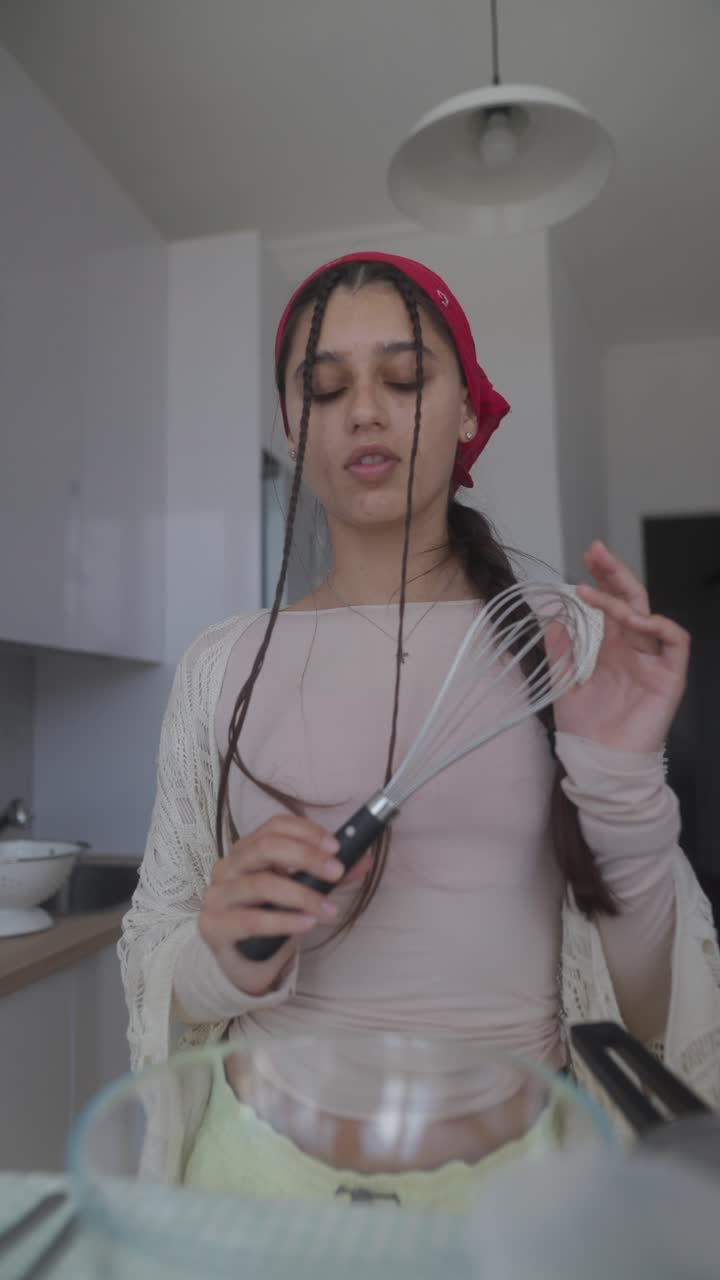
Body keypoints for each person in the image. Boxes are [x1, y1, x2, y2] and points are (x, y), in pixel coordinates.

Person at [120, 253, 720, 1195]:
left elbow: (648, 1014)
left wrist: (622, 788)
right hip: (252, 1188)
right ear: (293, 426)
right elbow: (157, 950)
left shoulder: (563, 644)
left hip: (518, 1197)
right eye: (325, 389)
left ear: (469, 411)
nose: (365, 411)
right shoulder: (219, 667)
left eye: (403, 379)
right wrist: (219, 958)